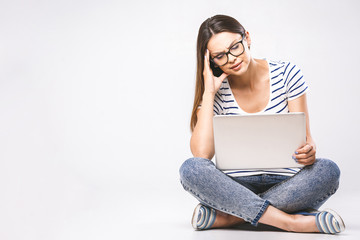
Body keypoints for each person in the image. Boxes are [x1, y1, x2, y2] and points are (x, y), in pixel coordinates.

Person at [179, 14, 345, 234]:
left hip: (287, 184)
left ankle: (229, 217)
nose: (231, 59)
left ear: (246, 37)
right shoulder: (216, 92)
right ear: (211, 62)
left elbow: (306, 139)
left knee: (328, 170)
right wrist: (209, 93)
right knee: (191, 169)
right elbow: (201, 154)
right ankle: (291, 222)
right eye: (220, 56)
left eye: (235, 47)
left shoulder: (287, 73)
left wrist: (309, 151)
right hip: (235, 186)